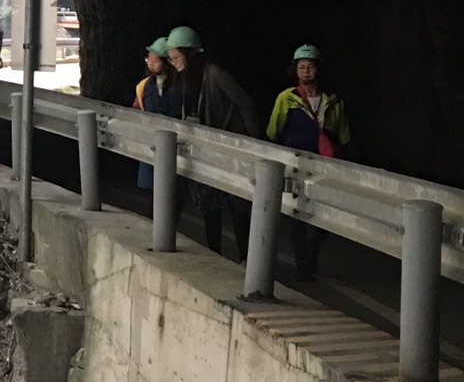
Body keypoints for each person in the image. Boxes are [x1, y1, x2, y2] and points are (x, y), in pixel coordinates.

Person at [166, 25, 259, 259]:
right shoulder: (185, 79)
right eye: (171, 58)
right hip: (205, 150)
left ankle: (247, 260)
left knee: (238, 207)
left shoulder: (215, 74)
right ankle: (215, 255)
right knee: (209, 207)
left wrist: (256, 143)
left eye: (176, 57)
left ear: (189, 53)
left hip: (229, 150)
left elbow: (245, 103)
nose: (173, 62)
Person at [267, 44, 352, 282]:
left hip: (325, 166)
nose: (305, 71)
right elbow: (273, 131)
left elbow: (343, 134)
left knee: (323, 219)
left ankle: (311, 256)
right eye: (301, 67)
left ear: (318, 69)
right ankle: (303, 262)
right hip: (297, 163)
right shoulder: (287, 98)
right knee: (298, 215)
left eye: (310, 66)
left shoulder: (333, 100)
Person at [132, 38, 176, 188]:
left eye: (155, 60)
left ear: (168, 62)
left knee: (171, 186)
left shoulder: (180, 86)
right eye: (148, 59)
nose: (150, 63)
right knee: (150, 185)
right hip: (150, 140)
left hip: (175, 142)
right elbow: (137, 109)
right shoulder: (144, 86)